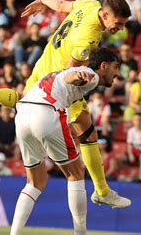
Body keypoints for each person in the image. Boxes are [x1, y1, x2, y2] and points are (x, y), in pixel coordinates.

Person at [0, 0, 132, 207]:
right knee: (87, 132)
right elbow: (71, 72)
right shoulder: (88, 35)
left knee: (23, 103)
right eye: (118, 24)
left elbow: (62, 5)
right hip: (55, 80)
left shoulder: (90, 5)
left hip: (41, 68)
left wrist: (43, 0)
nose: (121, 29)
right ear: (106, 15)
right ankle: (102, 190)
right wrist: (90, 81)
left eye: (123, 25)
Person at [10, 48, 128, 235]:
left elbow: (67, 79)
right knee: (76, 173)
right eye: (115, 67)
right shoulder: (92, 75)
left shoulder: (57, 72)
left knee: (34, 182)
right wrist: (78, 76)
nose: (116, 74)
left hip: (22, 115)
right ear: (103, 66)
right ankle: (80, 233)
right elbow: (74, 77)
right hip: (45, 113)